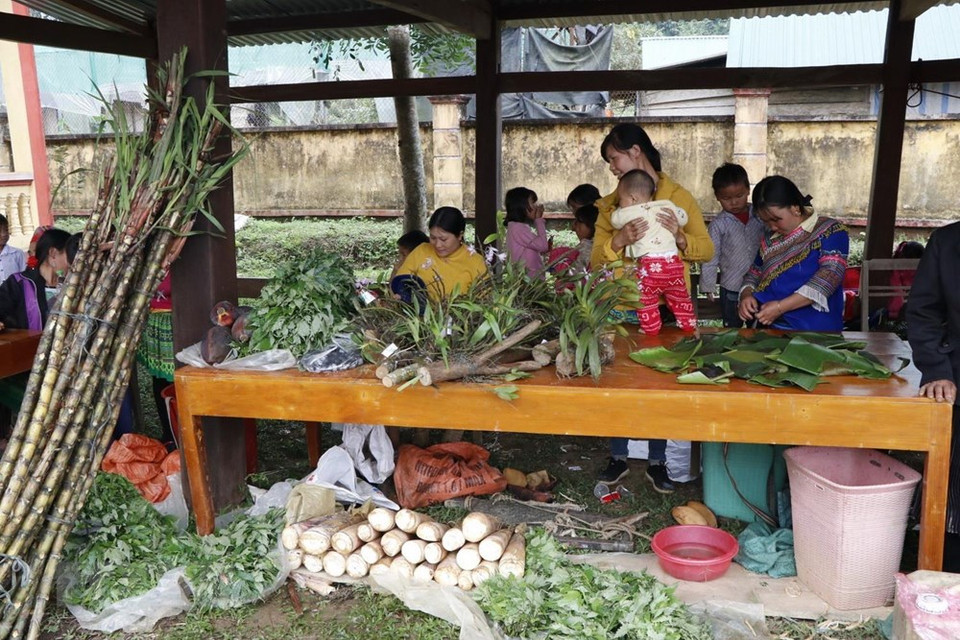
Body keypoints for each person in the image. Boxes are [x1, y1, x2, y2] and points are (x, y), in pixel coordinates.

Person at [591, 123, 714, 492]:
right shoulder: (611, 205)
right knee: (618, 383)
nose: (612, 168)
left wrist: (679, 237)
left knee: (660, 384)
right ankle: (618, 456)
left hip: (667, 310)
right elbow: (596, 260)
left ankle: (658, 462)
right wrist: (616, 240)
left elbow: (706, 250)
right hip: (621, 307)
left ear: (634, 151)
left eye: (613, 158)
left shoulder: (678, 197)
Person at [906, 222, 960, 570]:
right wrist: (938, 370)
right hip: (957, 374)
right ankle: (949, 571)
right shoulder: (948, 241)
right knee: (953, 482)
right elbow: (923, 312)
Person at [738, 176, 848, 331]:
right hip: (770, 327)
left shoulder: (830, 231)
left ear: (795, 208)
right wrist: (746, 295)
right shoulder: (770, 239)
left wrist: (780, 307)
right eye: (766, 222)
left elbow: (828, 277)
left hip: (815, 332)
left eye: (776, 220)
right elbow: (755, 272)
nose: (772, 227)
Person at [611, 169, 695, 334]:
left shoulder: (629, 211)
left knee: (646, 299)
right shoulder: (667, 205)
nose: (621, 204)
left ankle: (651, 328)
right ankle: (688, 323)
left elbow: (615, 221)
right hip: (673, 264)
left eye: (621, 200)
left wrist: (620, 211)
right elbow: (683, 217)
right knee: (679, 296)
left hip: (651, 267)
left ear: (633, 199)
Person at [700, 163, 765, 328]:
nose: (734, 202)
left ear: (748, 190)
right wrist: (708, 286)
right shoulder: (718, 225)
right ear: (717, 197)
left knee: (757, 328)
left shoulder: (761, 216)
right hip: (731, 287)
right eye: (726, 198)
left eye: (739, 195)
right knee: (731, 328)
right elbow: (711, 257)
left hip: (759, 286)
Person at [393, 206, 487, 302]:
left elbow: (486, 300)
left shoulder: (476, 262)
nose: (437, 245)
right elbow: (400, 282)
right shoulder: (421, 251)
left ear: (460, 235)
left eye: (443, 239)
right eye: (433, 238)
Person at [0, 227, 70, 332]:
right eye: (69, 255)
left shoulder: (71, 285)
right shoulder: (18, 282)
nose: (73, 262)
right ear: (53, 253)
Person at [504, 187, 550, 279]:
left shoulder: (516, 227)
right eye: (533, 203)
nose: (536, 206)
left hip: (528, 281)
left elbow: (533, 249)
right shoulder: (518, 229)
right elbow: (543, 246)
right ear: (521, 206)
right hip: (529, 283)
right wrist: (539, 220)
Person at [0, 215, 26, 283]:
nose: (4, 234)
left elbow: (24, 277)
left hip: (15, 293)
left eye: (6, 230)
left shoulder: (17, 253)